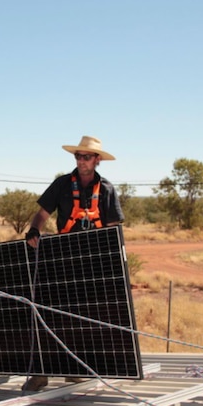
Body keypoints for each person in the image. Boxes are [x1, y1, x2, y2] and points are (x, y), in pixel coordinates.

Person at [21, 135, 125, 392]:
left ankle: (76, 369)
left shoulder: (108, 190)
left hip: (94, 260)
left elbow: (113, 229)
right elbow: (43, 213)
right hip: (62, 256)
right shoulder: (62, 184)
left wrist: (114, 264)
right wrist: (34, 230)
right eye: (78, 156)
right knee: (48, 312)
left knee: (86, 316)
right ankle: (40, 372)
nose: (81, 160)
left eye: (86, 156)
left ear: (97, 160)